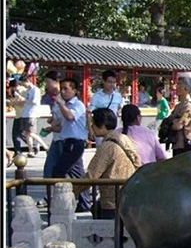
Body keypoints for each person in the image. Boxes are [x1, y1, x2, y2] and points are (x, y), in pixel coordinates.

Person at [72, 108, 141, 219]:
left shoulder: (106, 147)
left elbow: (92, 175)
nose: (91, 127)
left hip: (111, 200)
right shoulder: (125, 139)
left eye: (93, 124)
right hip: (128, 197)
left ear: (102, 125)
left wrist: (71, 190)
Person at [51, 78, 92, 212]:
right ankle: (84, 202)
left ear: (74, 91)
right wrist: (51, 128)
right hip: (68, 141)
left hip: (75, 143)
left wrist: (59, 103)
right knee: (77, 174)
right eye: (61, 89)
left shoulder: (77, 105)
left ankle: (64, 198)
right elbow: (65, 126)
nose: (63, 92)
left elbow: (70, 117)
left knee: (58, 171)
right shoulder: (66, 106)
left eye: (66, 89)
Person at [88, 69, 123, 147]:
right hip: (101, 128)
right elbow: (89, 114)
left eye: (114, 82)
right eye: (109, 82)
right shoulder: (96, 97)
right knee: (102, 149)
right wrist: (90, 130)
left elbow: (120, 108)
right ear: (103, 81)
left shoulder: (118, 96)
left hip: (114, 128)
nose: (112, 85)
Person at [41, 71, 64, 179]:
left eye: (48, 82)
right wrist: (52, 120)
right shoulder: (55, 98)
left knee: (68, 168)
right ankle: (50, 188)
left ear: (56, 82)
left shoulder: (63, 98)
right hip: (56, 137)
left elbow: (67, 116)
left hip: (64, 138)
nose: (46, 85)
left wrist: (53, 126)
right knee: (49, 169)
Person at [19, 74, 48, 157]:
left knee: (31, 133)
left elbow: (35, 102)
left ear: (27, 81)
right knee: (26, 133)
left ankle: (45, 146)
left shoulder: (35, 90)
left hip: (32, 113)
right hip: (25, 113)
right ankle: (31, 150)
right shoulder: (27, 90)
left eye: (23, 83)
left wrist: (25, 100)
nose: (23, 85)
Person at [170, 75, 191, 156]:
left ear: (187, 88)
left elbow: (178, 125)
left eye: (180, 84)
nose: (177, 87)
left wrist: (171, 123)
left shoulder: (188, 105)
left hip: (185, 144)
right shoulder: (179, 105)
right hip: (178, 143)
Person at [8, 78, 28, 156]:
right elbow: (12, 101)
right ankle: (33, 145)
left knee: (17, 134)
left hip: (22, 114)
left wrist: (15, 101)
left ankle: (19, 151)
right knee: (19, 134)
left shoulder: (22, 91)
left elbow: (24, 102)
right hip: (18, 114)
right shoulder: (13, 91)